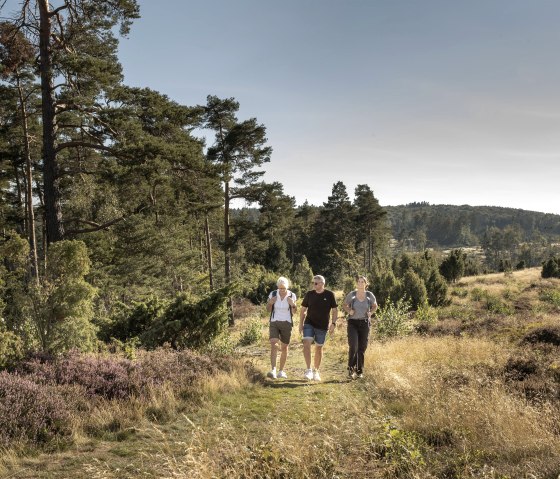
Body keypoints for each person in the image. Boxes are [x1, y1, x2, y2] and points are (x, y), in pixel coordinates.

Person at [299, 275, 338, 381]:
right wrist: (300, 324)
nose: (313, 285)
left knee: (319, 348)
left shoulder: (330, 295)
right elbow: (302, 310)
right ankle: (308, 370)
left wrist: (333, 324)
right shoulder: (309, 294)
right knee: (306, 343)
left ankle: (316, 371)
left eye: (315, 283)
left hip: (322, 326)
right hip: (309, 323)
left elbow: (334, 311)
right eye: (313, 283)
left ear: (322, 284)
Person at [342, 275, 378, 379]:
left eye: (363, 282)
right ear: (357, 283)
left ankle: (359, 371)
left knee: (362, 348)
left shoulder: (369, 295)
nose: (360, 283)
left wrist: (370, 312)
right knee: (354, 346)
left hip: (365, 323)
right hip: (353, 323)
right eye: (359, 281)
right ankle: (350, 369)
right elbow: (345, 305)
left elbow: (375, 306)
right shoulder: (352, 294)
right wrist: (349, 311)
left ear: (366, 284)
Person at [266, 276, 297, 379]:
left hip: (287, 323)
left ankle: (281, 371)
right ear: (277, 287)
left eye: (284, 288)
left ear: (287, 287)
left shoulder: (292, 295)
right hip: (274, 322)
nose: (282, 290)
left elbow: (294, 312)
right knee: (274, 344)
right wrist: (270, 303)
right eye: (280, 288)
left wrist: (293, 305)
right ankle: (273, 370)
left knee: (284, 347)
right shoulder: (273, 294)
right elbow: (268, 309)